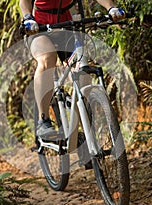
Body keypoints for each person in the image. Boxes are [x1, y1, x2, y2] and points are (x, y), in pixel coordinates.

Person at [19, 0, 126, 139]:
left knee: (82, 74)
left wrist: (111, 8)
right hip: (39, 28)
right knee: (47, 58)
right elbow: (24, 2)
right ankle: (43, 120)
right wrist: (28, 18)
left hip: (68, 26)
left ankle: (88, 136)